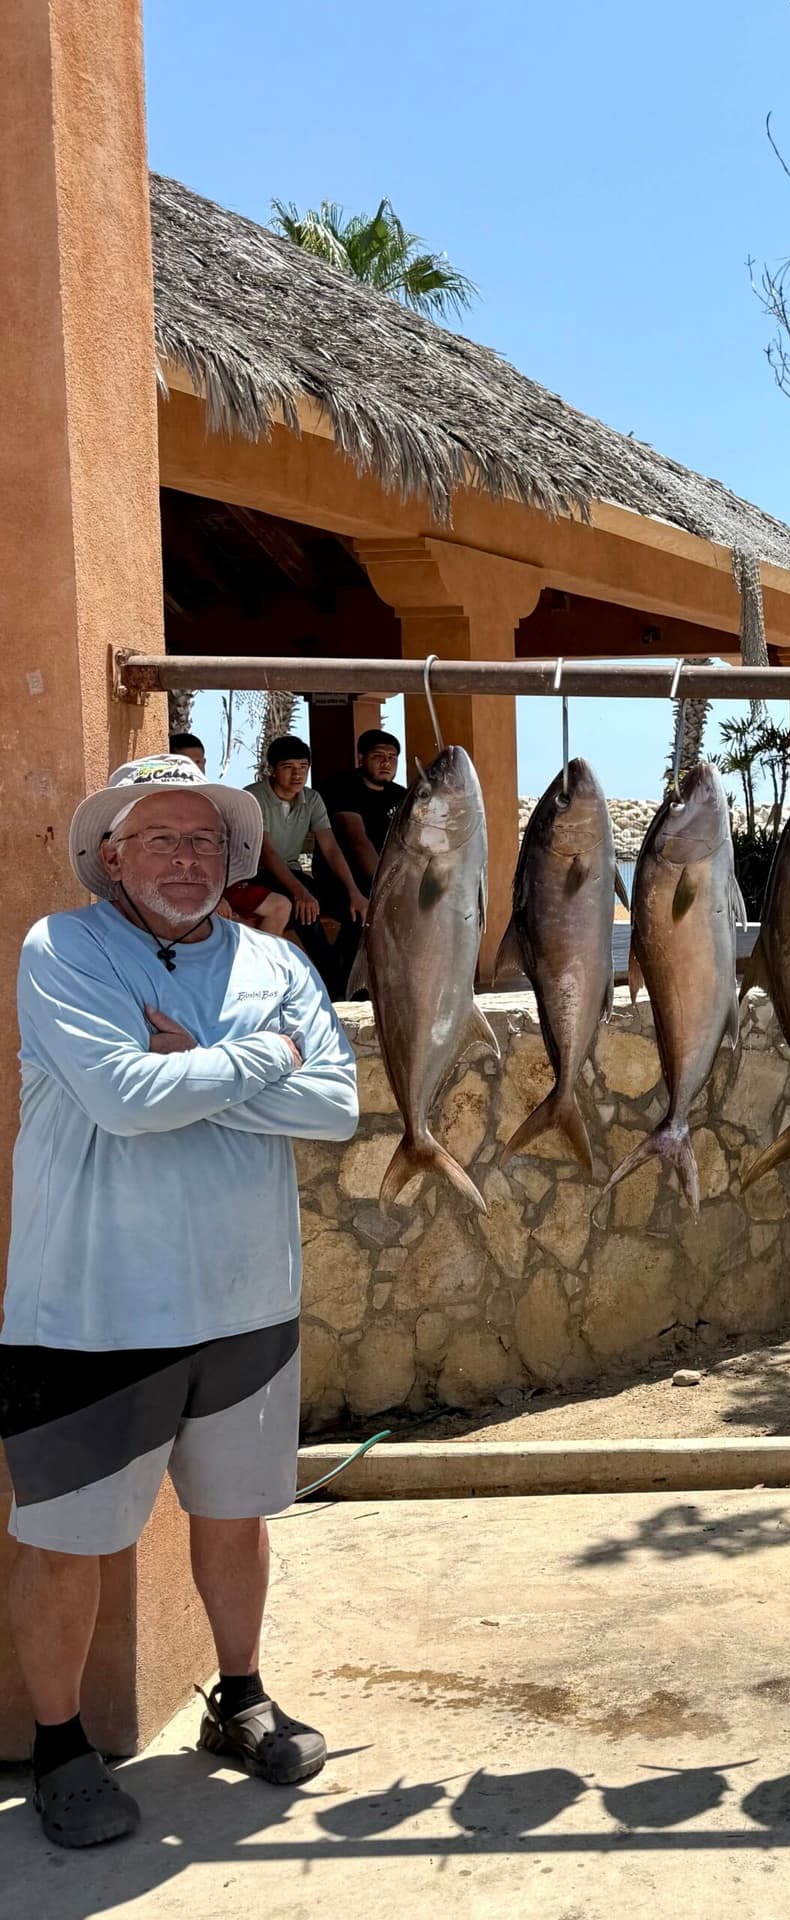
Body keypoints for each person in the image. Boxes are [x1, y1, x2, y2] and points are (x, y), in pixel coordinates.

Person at [0, 752, 359, 1849]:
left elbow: (338, 1107)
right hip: (91, 1310)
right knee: (66, 1541)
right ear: (110, 855)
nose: (187, 859)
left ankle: (238, 1696)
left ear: (239, 857)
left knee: (235, 1519)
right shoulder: (61, 949)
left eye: (208, 841)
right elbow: (120, 1098)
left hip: (247, 1301)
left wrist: (202, 1057)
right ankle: (61, 1744)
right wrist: (264, 1063)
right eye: (160, 838)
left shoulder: (271, 959)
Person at [235, 736, 367, 946]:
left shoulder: (312, 798)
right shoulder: (253, 797)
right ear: (272, 770)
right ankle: (326, 973)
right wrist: (301, 893)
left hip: (293, 873)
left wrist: (354, 892)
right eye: (288, 767)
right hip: (256, 874)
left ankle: (343, 973)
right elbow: (266, 852)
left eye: (303, 767)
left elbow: (331, 848)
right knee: (306, 913)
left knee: (356, 912)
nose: (297, 774)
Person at [313, 728, 405, 995]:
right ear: (361, 758)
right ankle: (343, 990)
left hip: (386, 880)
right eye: (378, 756)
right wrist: (385, 885)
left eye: (392, 757)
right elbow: (357, 840)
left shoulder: (401, 796)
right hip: (342, 881)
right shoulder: (341, 786)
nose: (386, 762)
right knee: (361, 915)